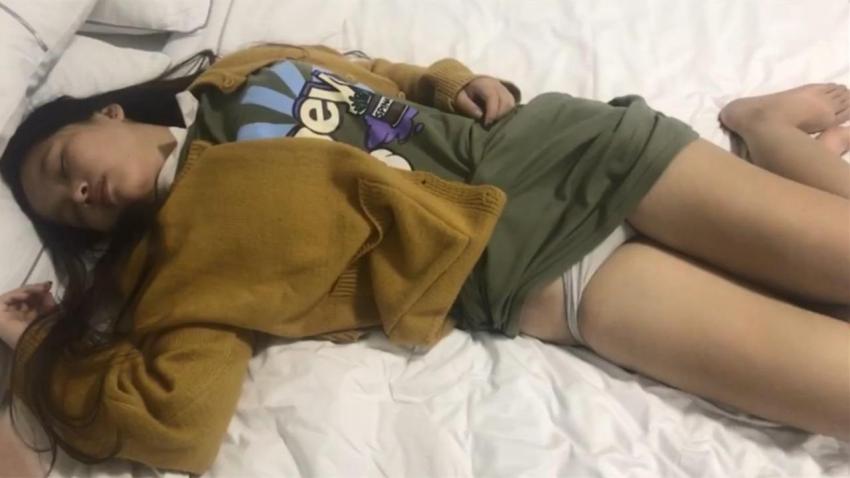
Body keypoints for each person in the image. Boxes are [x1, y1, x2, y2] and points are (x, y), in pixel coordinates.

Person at [0, 43, 848, 474]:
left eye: (65, 165)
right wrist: (39, 348)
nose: (82, 194)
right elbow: (177, 422)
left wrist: (451, 82)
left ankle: (763, 126)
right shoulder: (176, 264)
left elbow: (377, 75)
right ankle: (769, 134)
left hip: (572, 153)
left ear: (106, 115)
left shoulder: (238, 73)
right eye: (67, 211)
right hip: (536, 271)